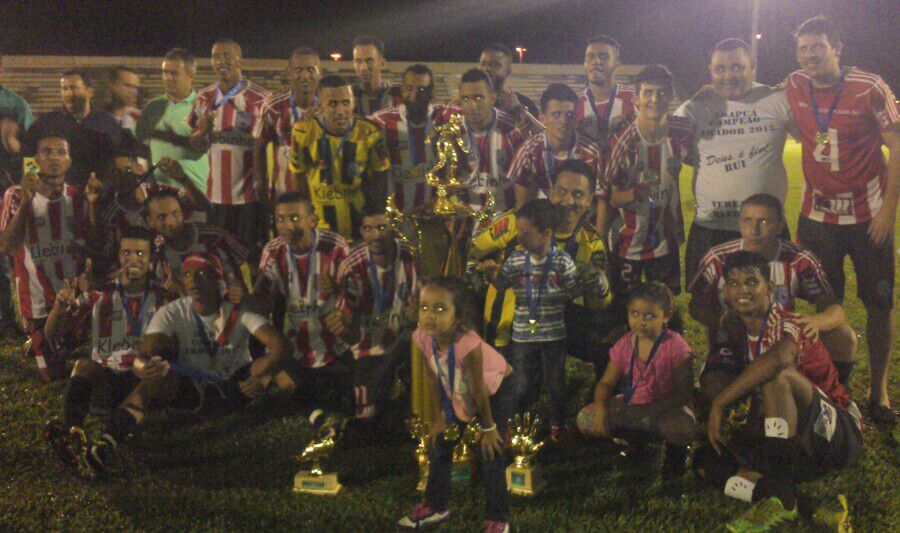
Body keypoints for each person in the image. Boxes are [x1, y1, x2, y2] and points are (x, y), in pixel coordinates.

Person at [74, 252, 289, 477]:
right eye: (187, 274)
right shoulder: (173, 312)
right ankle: (106, 444)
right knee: (157, 377)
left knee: (270, 367)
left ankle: (294, 403)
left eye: (201, 274)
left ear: (217, 279)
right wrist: (143, 367)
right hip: (195, 387)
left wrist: (262, 378)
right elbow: (143, 355)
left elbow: (281, 345)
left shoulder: (237, 310)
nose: (193, 280)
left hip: (237, 385)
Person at [784, 16, 899, 423]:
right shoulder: (794, 84)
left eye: (817, 46)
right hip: (817, 220)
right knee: (823, 303)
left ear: (837, 48)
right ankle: (828, 380)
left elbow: (897, 145)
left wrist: (888, 210)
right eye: (803, 48)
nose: (809, 55)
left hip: (868, 218)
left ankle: (878, 389)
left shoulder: (869, 87)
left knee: (879, 304)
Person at [696, 251, 862, 533]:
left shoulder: (789, 322)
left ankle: (783, 500)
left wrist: (720, 403)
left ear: (770, 288)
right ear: (726, 292)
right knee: (705, 461)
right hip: (792, 443)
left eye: (751, 282)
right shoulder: (735, 329)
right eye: (733, 283)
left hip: (836, 434)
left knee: (777, 378)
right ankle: (800, 503)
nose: (742, 290)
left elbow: (779, 360)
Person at [689, 194, 857, 386]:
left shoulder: (798, 259)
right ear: (739, 223)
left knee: (844, 337)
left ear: (779, 226)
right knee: (714, 386)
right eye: (748, 220)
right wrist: (721, 320)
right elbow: (696, 305)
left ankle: (833, 395)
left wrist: (814, 321)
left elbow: (835, 310)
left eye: (764, 221)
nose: (754, 229)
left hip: (781, 343)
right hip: (733, 343)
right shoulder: (718, 258)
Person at [43, 226, 172, 471]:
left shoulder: (163, 298)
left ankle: (104, 446)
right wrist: (60, 307)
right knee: (83, 365)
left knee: (155, 375)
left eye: (140, 253)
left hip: (140, 383)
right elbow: (51, 335)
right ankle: (72, 434)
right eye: (127, 253)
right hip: (106, 383)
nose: (133, 259)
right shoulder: (100, 295)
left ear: (151, 260)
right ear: (119, 257)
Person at [470, 160, 614, 376]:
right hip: (505, 335)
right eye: (561, 192)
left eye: (577, 194)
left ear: (589, 199)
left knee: (603, 344)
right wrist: (478, 273)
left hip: (550, 334)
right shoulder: (517, 222)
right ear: (550, 191)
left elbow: (598, 305)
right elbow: (472, 251)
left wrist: (600, 285)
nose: (568, 201)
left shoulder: (591, 242)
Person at [397, 277, 513, 533]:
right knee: (441, 444)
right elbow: (432, 376)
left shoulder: (467, 344)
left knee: (491, 451)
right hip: (462, 390)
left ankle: (498, 518)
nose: (429, 315)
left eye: (440, 309)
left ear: (458, 316)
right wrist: (440, 416)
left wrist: (489, 427)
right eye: (424, 307)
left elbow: (478, 388)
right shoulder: (421, 336)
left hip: (495, 389)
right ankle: (436, 506)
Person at [677, 38, 794, 285]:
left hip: (767, 229)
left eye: (737, 67)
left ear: (753, 65)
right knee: (706, 302)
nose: (728, 76)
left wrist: (826, 137)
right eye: (720, 69)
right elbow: (671, 150)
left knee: (773, 300)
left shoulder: (778, 100)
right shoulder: (693, 108)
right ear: (710, 70)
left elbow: (818, 137)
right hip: (711, 228)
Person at [599, 64, 697, 330]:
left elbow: (703, 156)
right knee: (623, 311)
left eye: (662, 92)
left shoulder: (682, 130)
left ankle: (671, 353)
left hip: (666, 239)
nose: (655, 99)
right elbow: (608, 197)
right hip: (627, 243)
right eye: (648, 93)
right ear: (636, 99)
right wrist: (634, 193)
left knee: (667, 311)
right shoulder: (622, 141)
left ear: (671, 96)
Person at [576, 282, 695, 481]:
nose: (641, 322)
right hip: (632, 406)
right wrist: (602, 409)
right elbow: (606, 384)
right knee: (585, 418)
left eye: (650, 316)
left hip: (664, 409)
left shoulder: (675, 347)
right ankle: (634, 441)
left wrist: (649, 410)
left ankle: (675, 456)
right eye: (635, 314)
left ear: (666, 316)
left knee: (683, 426)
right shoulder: (625, 343)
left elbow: (685, 394)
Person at [492, 199, 582, 443]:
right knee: (522, 383)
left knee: (555, 383)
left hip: (554, 334)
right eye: (518, 232)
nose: (519, 237)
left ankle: (558, 425)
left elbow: (574, 292)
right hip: (523, 334)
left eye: (525, 233)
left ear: (546, 233)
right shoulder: (515, 260)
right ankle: (519, 424)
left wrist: (585, 284)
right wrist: (492, 275)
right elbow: (501, 285)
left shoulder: (563, 261)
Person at [0, 134, 85, 381]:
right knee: (52, 375)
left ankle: (49, 340)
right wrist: (26, 203)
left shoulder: (77, 196)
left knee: (76, 345)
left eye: (61, 152)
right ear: (36, 159)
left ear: (69, 160)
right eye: (47, 152)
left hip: (72, 296)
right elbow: (7, 246)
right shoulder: (16, 194)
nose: (54, 157)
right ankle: (38, 337)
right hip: (37, 300)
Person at [328, 206, 419, 422]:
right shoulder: (352, 265)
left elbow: (426, 303)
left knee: (410, 411)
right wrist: (341, 324)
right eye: (368, 229)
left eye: (382, 227)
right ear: (361, 231)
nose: (375, 235)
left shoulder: (413, 256)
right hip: (369, 346)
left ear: (393, 228)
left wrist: (420, 311)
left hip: (408, 341)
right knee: (367, 416)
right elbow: (348, 322)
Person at [255, 192, 349, 400]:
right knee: (281, 387)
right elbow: (262, 303)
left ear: (312, 220)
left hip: (334, 347)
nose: (287, 226)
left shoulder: (335, 246)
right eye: (280, 219)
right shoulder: (272, 251)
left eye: (295, 218)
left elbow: (356, 295)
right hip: (294, 348)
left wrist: (336, 288)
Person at [188, 38, 271, 257]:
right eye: (216, 56)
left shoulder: (261, 98)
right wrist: (201, 132)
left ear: (239, 61)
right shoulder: (203, 98)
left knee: (248, 256)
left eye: (227, 56)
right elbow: (196, 147)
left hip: (250, 199)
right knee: (218, 257)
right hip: (216, 197)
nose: (221, 61)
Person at [289, 74, 390, 241]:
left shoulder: (369, 131)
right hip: (320, 227)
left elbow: (380, 174)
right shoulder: (303, 130)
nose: (341, 111)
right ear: (320, 105)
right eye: (333, 104)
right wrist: (305, 214)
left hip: (359, 225)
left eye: (346, 102)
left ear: (354, 103)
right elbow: (298, 174)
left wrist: (375, 213)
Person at [19, 70, 135, 187]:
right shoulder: (47, 122)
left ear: (89, 92)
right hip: (59, 192)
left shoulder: (106, 121)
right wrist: (32, 177)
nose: (68, 94)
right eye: (65, 89)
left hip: (97, 191)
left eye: (74, 88)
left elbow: (121, 154)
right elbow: (28, 152)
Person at [371, 64, 459, 211]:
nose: (414, 94)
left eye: (422, 90)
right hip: (396, 215)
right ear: (402, 90)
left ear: (432, 92)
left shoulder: (445, 117)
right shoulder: (382, 121)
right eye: (409, 88)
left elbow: (476, 111)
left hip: (436, 213)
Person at [143, 186, 248, 299]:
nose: (170, 222)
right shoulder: (157, 255)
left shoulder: (215, 236)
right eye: (161, 217)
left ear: (183, 213)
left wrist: (236, 283)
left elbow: (249, 264)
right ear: (150, 221)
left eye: (175, 214)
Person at [511, 83, 603, 208]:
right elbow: (523, 205)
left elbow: (598, 202)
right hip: (546, 216)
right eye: (556, 114)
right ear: (542, 118)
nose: (563, 121)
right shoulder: (529, 150)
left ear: (576, 117)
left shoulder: (591, 152)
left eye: (569, 115)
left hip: (582, 214)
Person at [136, 48, 209, 194]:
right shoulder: (152, 107)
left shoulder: (203, 107)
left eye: (174, 73)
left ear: (191, 75)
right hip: (158, 194)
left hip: (194, 194)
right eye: (164, 72)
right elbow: (140, 144)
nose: (167, 78)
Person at [254, 47, 321, 205]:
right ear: (289, 73)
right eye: (299, 70)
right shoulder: (274, 106)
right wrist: (262, 184)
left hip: (321, 194)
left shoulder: (326, 106)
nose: (305, 76)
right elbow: (260, 145)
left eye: (311, 70)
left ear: (320, 73)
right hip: (283, 194)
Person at [456, 68, 526, 213]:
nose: (472, 106)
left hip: (503, 218)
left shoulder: (511, 131)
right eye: (465, 99)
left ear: (492, 98)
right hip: (466, 217)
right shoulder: (453, 132)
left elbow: (524, 185)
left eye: (478, 98)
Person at [0, 52, 33, 338]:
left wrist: (30, 182)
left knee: (10, 255)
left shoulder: (15, 105)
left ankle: (11, 320)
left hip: (6, 187)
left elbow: (30, 149)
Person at [576, 34, 636, 146]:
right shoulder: (574, 103)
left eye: (603, 57)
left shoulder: (635, 100)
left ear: (617, 63)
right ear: (585, 63)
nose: (596, 61)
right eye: (590, 57)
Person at [478, 43, 543, 135]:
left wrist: (518, 109)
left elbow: (544, 137)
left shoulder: (524, 103)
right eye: (483, 64)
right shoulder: (467, 102)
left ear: (508, 71)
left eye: (494, 65)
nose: (486, 68)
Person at [351, 35, 402, 116]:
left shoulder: (398, 97)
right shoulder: (348, 96)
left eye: (369, 61)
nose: (363, 68)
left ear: (382, 63)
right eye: (358, 61)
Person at [106, 66, 142, 131]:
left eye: (135, 87)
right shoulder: (99, 119)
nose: (133, 91)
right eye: (128, 86)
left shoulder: (143, 120)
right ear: (112, 85)